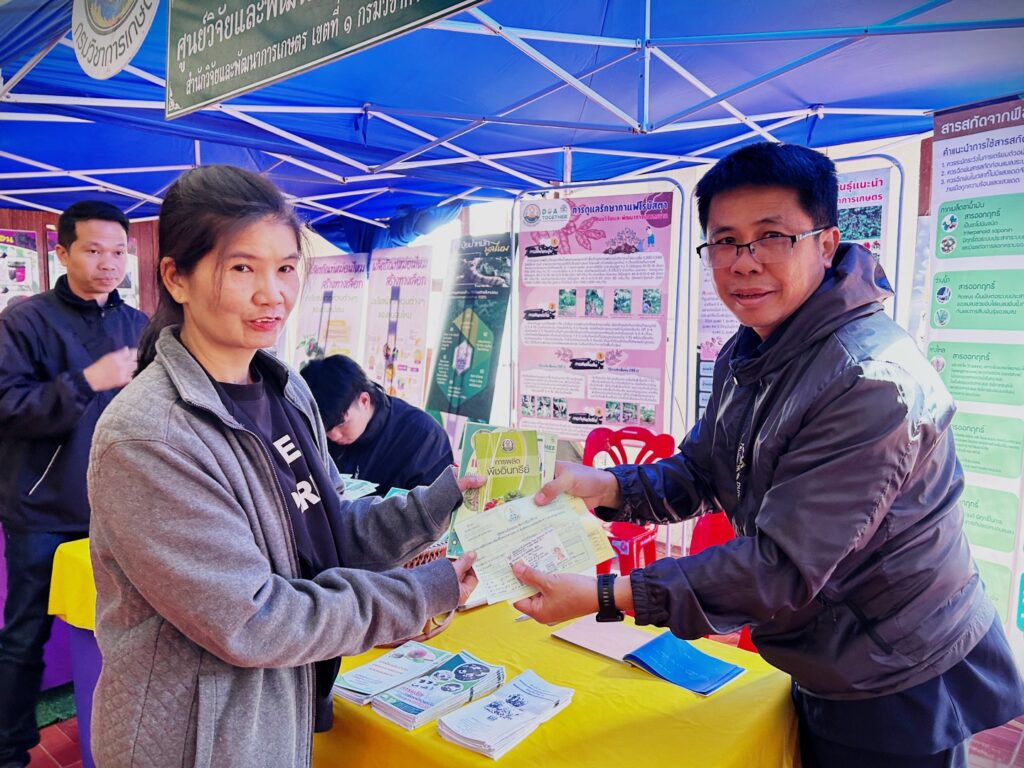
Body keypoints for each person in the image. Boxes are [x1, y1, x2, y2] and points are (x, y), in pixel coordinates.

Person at [511, 142, 1024, 767]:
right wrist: (606, 486)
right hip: (824, 643)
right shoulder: (750, 349)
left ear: (826, 243)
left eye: (772, 237)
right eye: (725, 242)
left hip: (899, 668)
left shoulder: (870, 379)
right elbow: (703, 468)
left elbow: (780, 565)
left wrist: (605, 594)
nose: (744, 262)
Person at [86, 165, 481, 768]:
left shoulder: (286, 388)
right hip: (196, 739)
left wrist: (439, 500)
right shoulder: (150, 436)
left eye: (287, 268)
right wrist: (423, 591)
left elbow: (323, 528)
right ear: (176, 278)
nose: (272, 293)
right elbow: (254, 618)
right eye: (243, 268)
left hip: (275, 708)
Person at [0, 201, 146, 768]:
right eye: (93, 250)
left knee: (123, 631)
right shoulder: (24, 321)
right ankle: (9, 750)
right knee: (25, 634)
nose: (109, 263)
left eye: (118, 251)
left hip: (116, 509)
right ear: (62, 253)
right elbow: (8, 407)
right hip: (41, 506)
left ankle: (116, 741)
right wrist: (87, 381)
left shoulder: (137, 325)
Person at [301, 354, 454, 491]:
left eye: (341, 424)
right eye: (325, 428)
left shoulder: (425, 438)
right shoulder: (312, 428)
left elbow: (437, 504)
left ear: (364, 400)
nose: (333, 436)